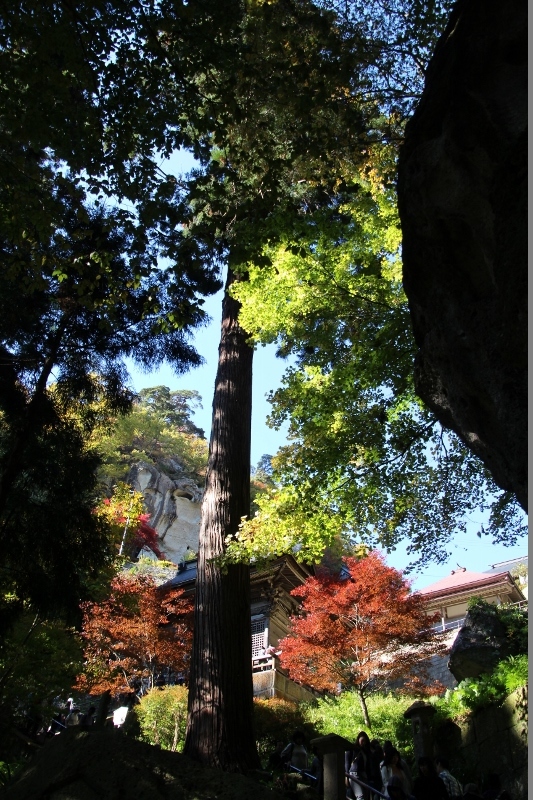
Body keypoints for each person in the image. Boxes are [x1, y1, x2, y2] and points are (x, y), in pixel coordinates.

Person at [348, 731, 383, 800]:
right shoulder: (353, 749)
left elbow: (369, 766)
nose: (363, 743)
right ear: (358, 739)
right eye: (362, 740)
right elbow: (347, 762)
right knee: (360, 796)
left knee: (366, 796)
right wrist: (346, 776)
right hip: (354, 774)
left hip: (364, 775)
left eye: (365, 741)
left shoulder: (366, 752)